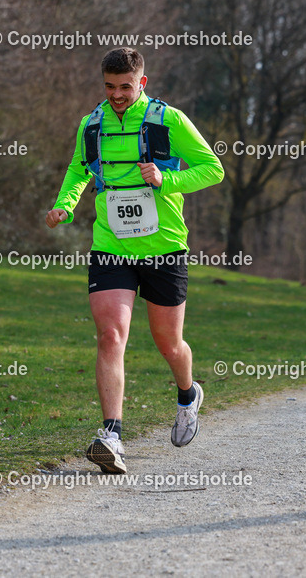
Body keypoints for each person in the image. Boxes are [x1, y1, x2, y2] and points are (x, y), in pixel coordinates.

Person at [45, 48, 224, 473]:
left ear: (141, 83)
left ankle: (187, 394)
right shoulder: (92, 124)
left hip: (164, 247)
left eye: (126, 86)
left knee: (170, 344)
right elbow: (78, 171)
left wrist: (167, 179)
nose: (117, 95)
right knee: (110, 335)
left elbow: (212, 168)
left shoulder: (169, 121)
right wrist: (65, 205)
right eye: (110, 87)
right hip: (112, 246)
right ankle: (111, 435)